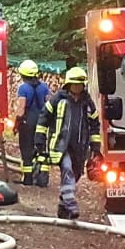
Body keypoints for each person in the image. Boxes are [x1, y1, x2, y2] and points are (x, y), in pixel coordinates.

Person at [38, 66, 103, 221]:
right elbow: (43, 119)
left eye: (80, 84)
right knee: (67, 170)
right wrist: (40, 142)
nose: (77, 87)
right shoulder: (57, 100)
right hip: (61, 146)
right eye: (74, 84)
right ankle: (71, 203)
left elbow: (94, 125)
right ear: (68, 84)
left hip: (80, 147)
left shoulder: (87, 103)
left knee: (76, 174)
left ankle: (63, 207)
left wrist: (95, 148)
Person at [13, 59, 49, 186]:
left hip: (28, 123)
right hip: (43, 122)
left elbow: (21, 109)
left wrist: (16, 124)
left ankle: (28, 179)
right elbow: (48, 104)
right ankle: (42, 178)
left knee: (27, 149)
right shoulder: (44, 87)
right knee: (41, 148)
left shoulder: (23, 88)